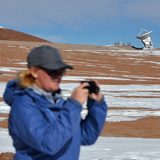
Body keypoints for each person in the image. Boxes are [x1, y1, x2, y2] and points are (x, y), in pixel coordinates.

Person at [3, 45, 107, 160]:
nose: (58, 76)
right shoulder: (23, 105)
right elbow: (48, 144)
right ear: (34, 72)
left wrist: (96, 105)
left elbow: (86, 136)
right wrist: (73, 105)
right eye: (53, 71)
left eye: (61, 71)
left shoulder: (59, 103)